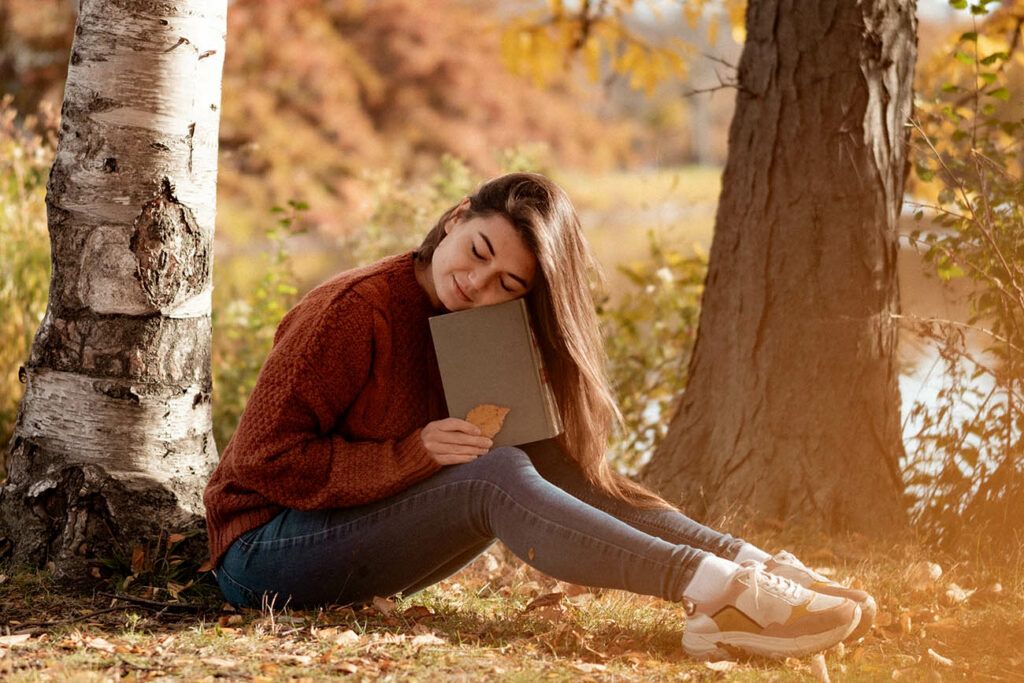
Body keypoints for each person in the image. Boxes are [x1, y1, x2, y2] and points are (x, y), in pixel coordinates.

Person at [203, 173, 876, 660]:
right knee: (492, 475)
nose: (477, 283)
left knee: (545, 457)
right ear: (456, 218)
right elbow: (260, 461)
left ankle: (750, 568)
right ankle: (718, 595)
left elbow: (566, 477)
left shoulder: (479, 325)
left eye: (508, 283)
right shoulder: (353, 312)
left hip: (349, 539)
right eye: (480, 251)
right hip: (261, 553)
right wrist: (412, 454)